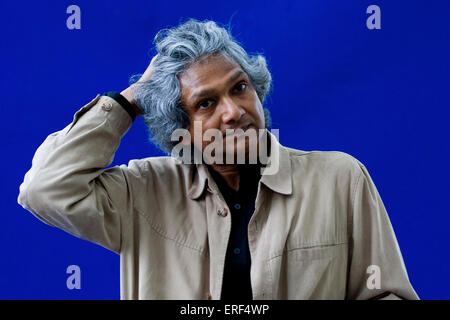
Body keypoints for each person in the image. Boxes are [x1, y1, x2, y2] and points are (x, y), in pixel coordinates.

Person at [17, 18, 419, 300]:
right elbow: (44, 189)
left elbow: (388, 295)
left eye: (240, 87)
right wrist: (130, 99)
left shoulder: (340, 179)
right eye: (205, 103)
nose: (233, 111)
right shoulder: (142, 192)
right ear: (181, 127)